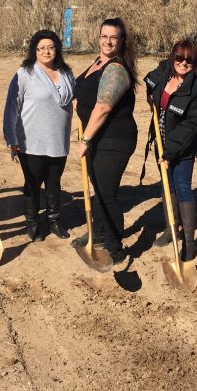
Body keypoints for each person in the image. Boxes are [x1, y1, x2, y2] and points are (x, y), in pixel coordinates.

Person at [72, 18, 139, 265]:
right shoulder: (99, 62)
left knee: (106, 194)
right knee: (98, 189)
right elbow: (88, 93)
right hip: (98, 138)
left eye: (113, 37)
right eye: (104, 36)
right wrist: (78, 102)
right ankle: (98, 235)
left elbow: (103, 107)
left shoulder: (117, 69)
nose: (107, 41)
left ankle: (114, 248)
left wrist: (85, 140)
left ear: (121, 41)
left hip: (114, 139)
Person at [4, 30, 75, 242]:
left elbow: (74, 99)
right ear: (34, 51)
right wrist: (11, 137)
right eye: (41, 48)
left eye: (51, 47)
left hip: (58, 139)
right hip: (31, 141)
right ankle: (33, 222)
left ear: (57, 50)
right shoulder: (25, 73)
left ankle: (54, 220)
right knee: (33, 184)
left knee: (54, 182)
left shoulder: (66, 73)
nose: (46, 51)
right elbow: (11, 106)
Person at [144, 39, 197, 261]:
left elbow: (190, 127)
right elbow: (150, 82)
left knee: (182, 187)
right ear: (173, 57)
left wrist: (169, 154)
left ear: (195, 63)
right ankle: (170, 228)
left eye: (189, 60)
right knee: (166, 185)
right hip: (162, 142)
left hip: (182, 148)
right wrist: (150, 96)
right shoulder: (164, 72)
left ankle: (190, 244)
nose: (183, 63)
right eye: (179, 58)